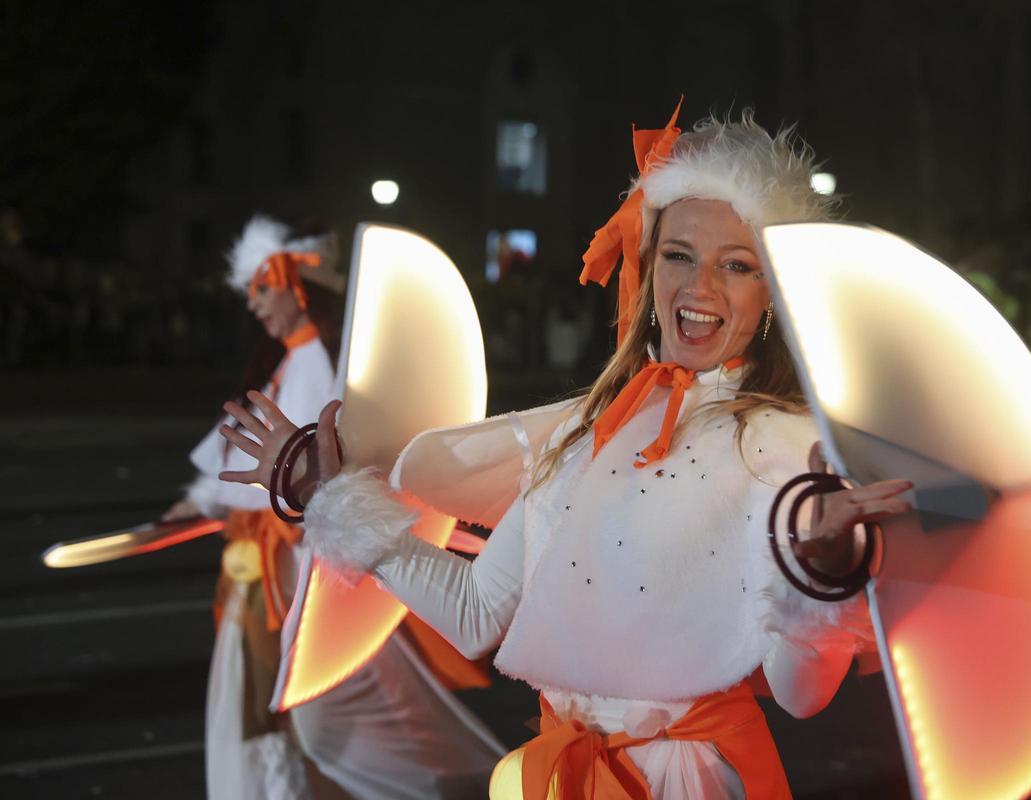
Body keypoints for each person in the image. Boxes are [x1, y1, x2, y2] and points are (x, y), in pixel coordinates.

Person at [220, 106, 912, 798]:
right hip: (562, 776)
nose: (700, 287)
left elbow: (800, 696)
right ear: (649, 261)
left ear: (770, 295)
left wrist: (819, 569)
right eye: (680, 255)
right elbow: (473, 613)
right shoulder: (587, 430)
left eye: (737, 266)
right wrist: (333, 500)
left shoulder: (790, 448)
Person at [168, 216, 504, 799]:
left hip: (300, 568)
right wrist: (202, 502)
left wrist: (299, 505)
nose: (254, 305)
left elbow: (328, 473)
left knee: (314, 715)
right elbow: (242, 467)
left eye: (262, 288)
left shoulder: (320, 369)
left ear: (299, 286)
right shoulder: (283, 366)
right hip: (272, 565)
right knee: (282, 708)